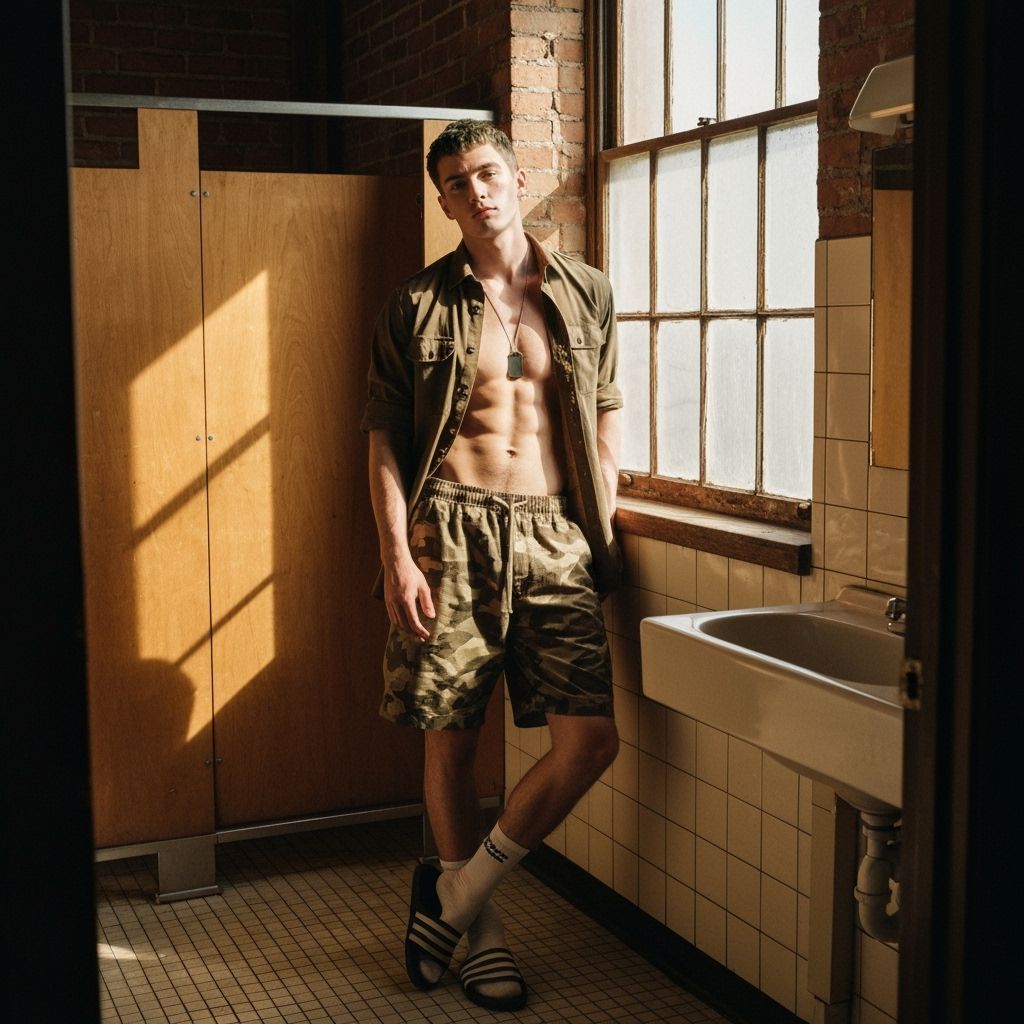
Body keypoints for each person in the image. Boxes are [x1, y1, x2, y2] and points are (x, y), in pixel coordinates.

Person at [361, 119, 622, 1012]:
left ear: (516, 177)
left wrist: (602, 518)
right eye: (455, 182)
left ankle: (457, 893)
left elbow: (607, 408)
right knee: (454, 737)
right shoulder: (417, 304)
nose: (475, 192)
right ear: (442, 201)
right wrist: (399, 553)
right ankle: (485, 936)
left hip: (557, 536)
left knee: (589, 742)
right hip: (451, 534)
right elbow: (384, 439)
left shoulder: (585, 292)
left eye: (486, 173)